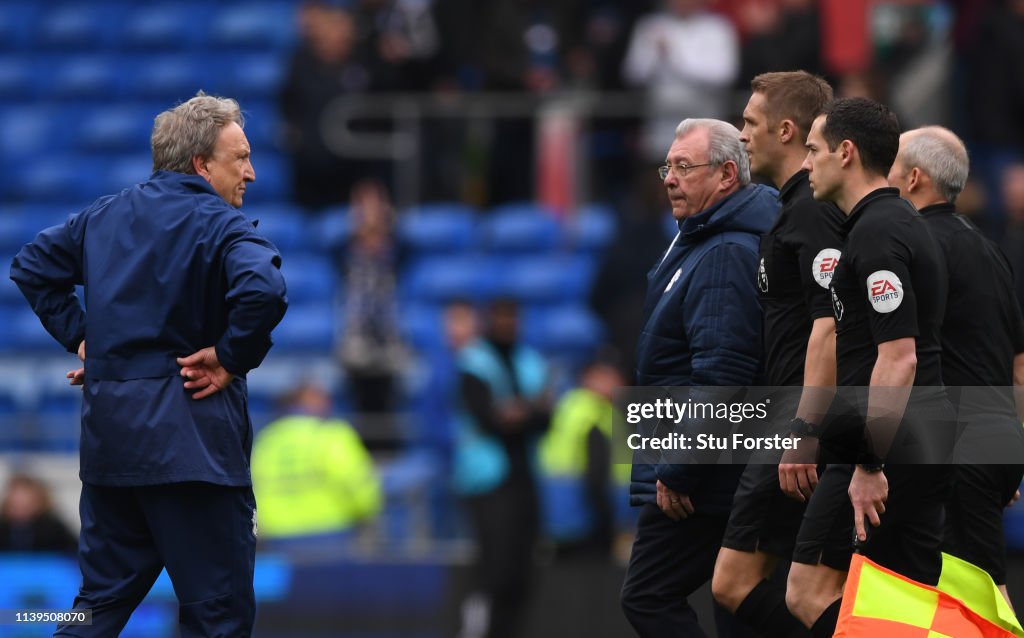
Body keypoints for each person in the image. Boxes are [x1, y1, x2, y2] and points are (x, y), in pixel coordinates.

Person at [9, 92, 288, 637]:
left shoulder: (102, 215)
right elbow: (265, 289)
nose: (251, 173)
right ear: (202, 164)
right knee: (218, 618)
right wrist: (231, 357)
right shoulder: (221, 225)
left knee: (95, 608)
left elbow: (31, 266)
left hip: (112, 452)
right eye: (241, 158)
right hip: (196, 456)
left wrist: (86, 339)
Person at [786, 98, 954, 638]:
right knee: (904, 602)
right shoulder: (891, 223)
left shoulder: (878, 232)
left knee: (809, 590)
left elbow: (898, 359)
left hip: (889, 445)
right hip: (917, 437)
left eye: (812, 150)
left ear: (846, 152)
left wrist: (868, 463)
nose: (806, 164)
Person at [619, 118, 778, 637]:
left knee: (648, 595)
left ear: (728, 174)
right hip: (715, 466)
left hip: (702, 475)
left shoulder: (726, 250)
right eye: (668, 166)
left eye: (684, 167)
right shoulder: (706, 237)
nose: (668, 178)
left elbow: (724, 371)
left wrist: (678, 466)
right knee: (731, 603)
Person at [711, 70, 839, 638]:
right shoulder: (790, 211)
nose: (741, 135)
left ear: (785, 131)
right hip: (787, 414)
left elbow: (830, 326)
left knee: (735, 584)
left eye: (750, 123)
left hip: (799, 417)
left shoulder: (812, 213)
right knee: (791, 590)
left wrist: (804, 429)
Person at [888, 125, 1024, 607]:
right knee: (948, 595)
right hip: (988, 440)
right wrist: (1004, 439)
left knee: (980, 599)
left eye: (891, 164)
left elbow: (902, 355)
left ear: (914, 179)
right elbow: (1018, 363)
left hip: (957, 448)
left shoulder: (913, 247)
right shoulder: (990, 249)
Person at [452, 299, 552, 638]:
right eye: (501, 317)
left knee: (523, 571)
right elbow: (487, 417)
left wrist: (514, 413)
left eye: (512, 317)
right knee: (494, 567)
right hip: (489, 479)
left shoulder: (530, 361)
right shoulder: (473, 361)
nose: (507, 324)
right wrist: (523, 412)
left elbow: (546, 415)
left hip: (525, 475)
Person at [250, 383, 381, 544]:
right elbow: (359, 485)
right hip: (331, 534)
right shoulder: (331, 435)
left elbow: (253, 489)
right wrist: (367, 515)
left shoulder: (266, 440)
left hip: (277, 538)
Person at [538, 360, 628, 557]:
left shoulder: (571, 405)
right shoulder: (593, 413)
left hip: (561, 516)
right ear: (589, 378)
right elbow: (596, 476)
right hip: (587, 519)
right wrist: (608, 522)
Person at [0, 473, 77, 554]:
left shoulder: (53, 529)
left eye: (26, 505)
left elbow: (74, 551)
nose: (20, 509)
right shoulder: (2, 529)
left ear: (38, 502)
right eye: (15, 504)